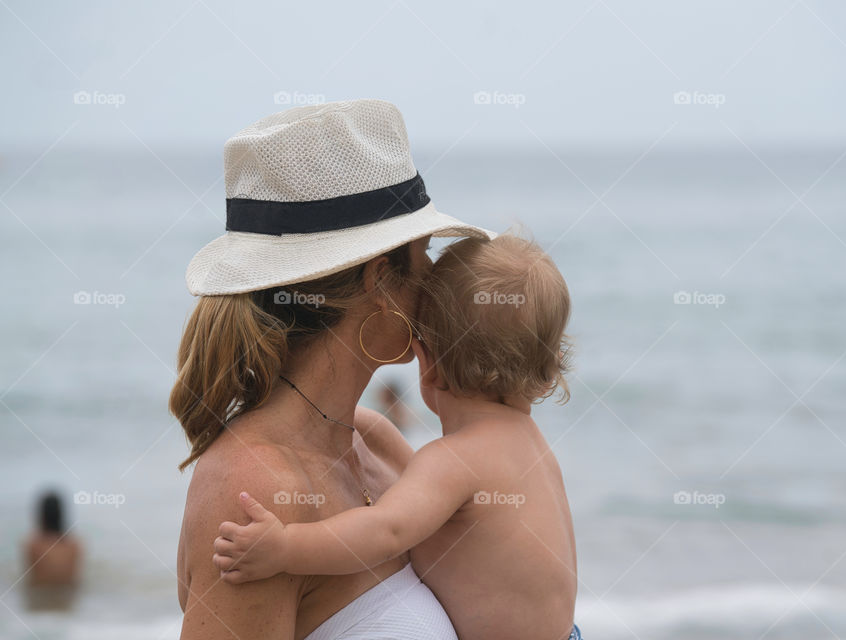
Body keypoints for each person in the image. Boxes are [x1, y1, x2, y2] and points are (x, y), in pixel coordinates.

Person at [173, 99, 494, 639]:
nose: (437, 277)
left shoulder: (374, 441)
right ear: (380, 280)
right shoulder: (255, 488)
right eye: (425, 252)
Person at [212, 235, 582, 640]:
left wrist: (285, 548)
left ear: (428, 364)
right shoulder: (531, 443)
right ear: (547, 366)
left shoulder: (453, 460)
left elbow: (384, 531)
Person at [22, 491, 82, 610]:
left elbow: (30, 577)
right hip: (68, 599)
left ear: (41, 515)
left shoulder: (33, 544)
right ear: (61, 515)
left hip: (39, 599)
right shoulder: (75, 545)